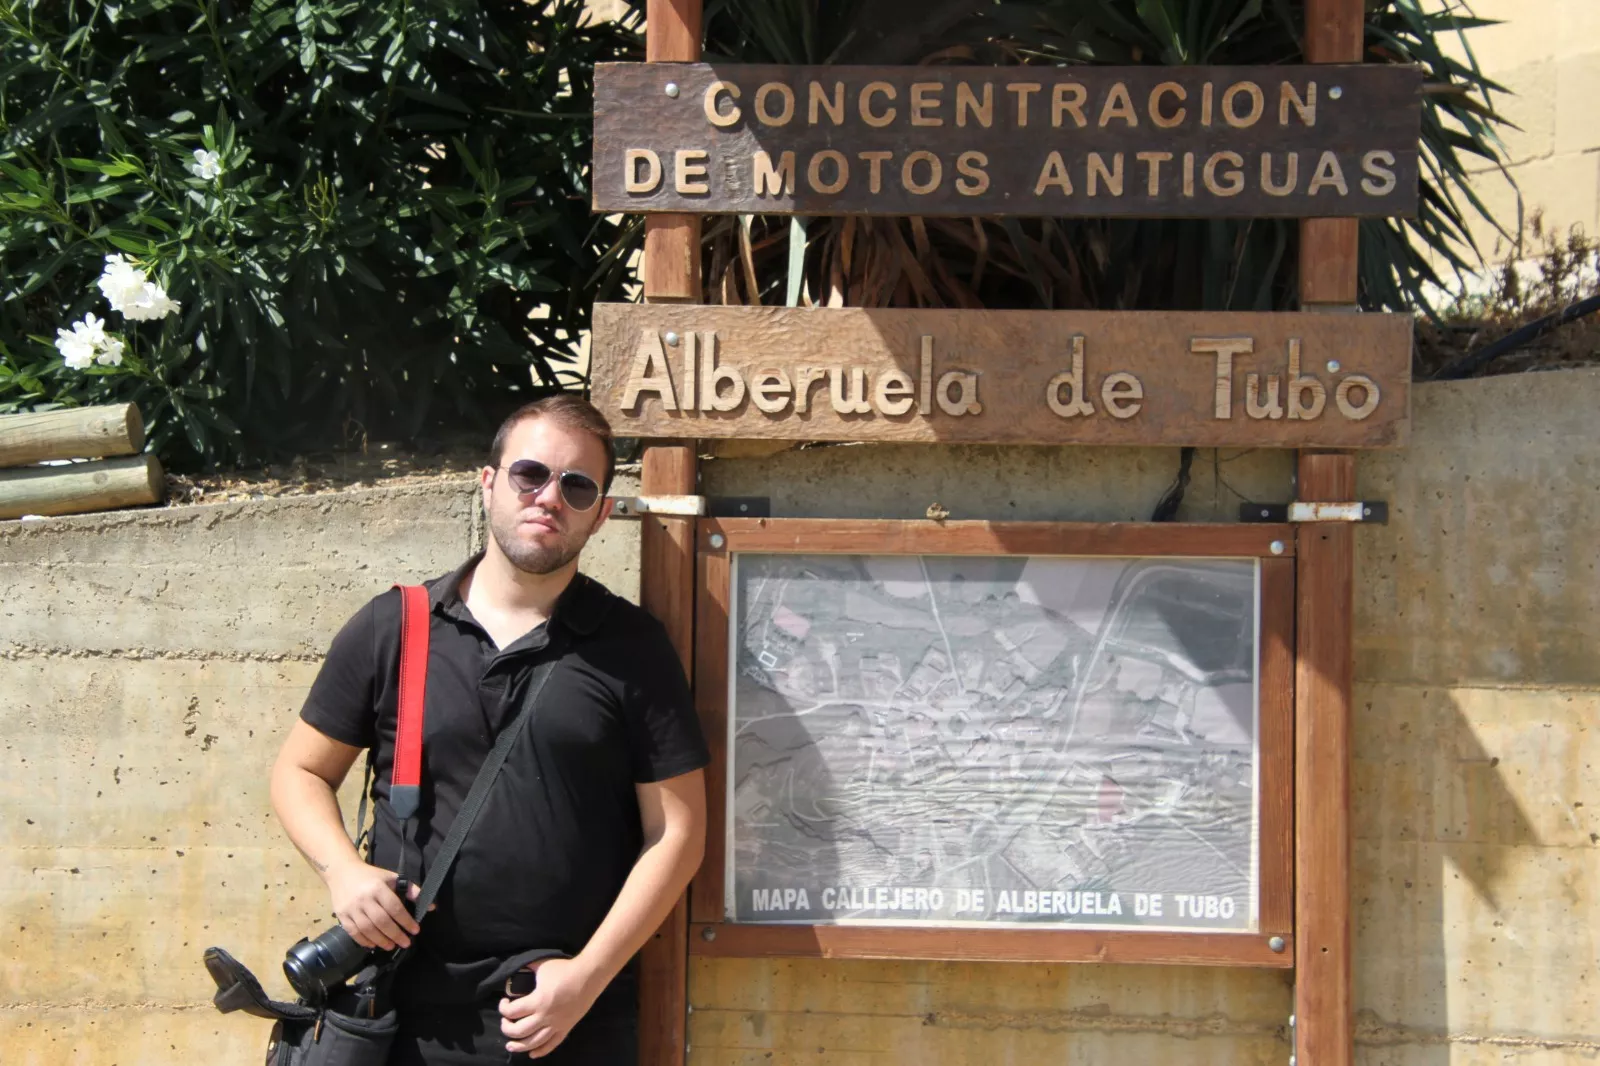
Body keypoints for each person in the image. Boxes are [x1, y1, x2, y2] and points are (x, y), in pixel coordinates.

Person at [270, 395, 708, 1063]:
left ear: (600, 515)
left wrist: (586, 979)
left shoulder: (633, 648)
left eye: (577, 485)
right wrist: (343, 873)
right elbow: (300, 771)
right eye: (529, 474)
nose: (549, 497)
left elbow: (677, 833)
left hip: (554, 1018)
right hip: (398, 1016)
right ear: (488, 483)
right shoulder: (396, 627)